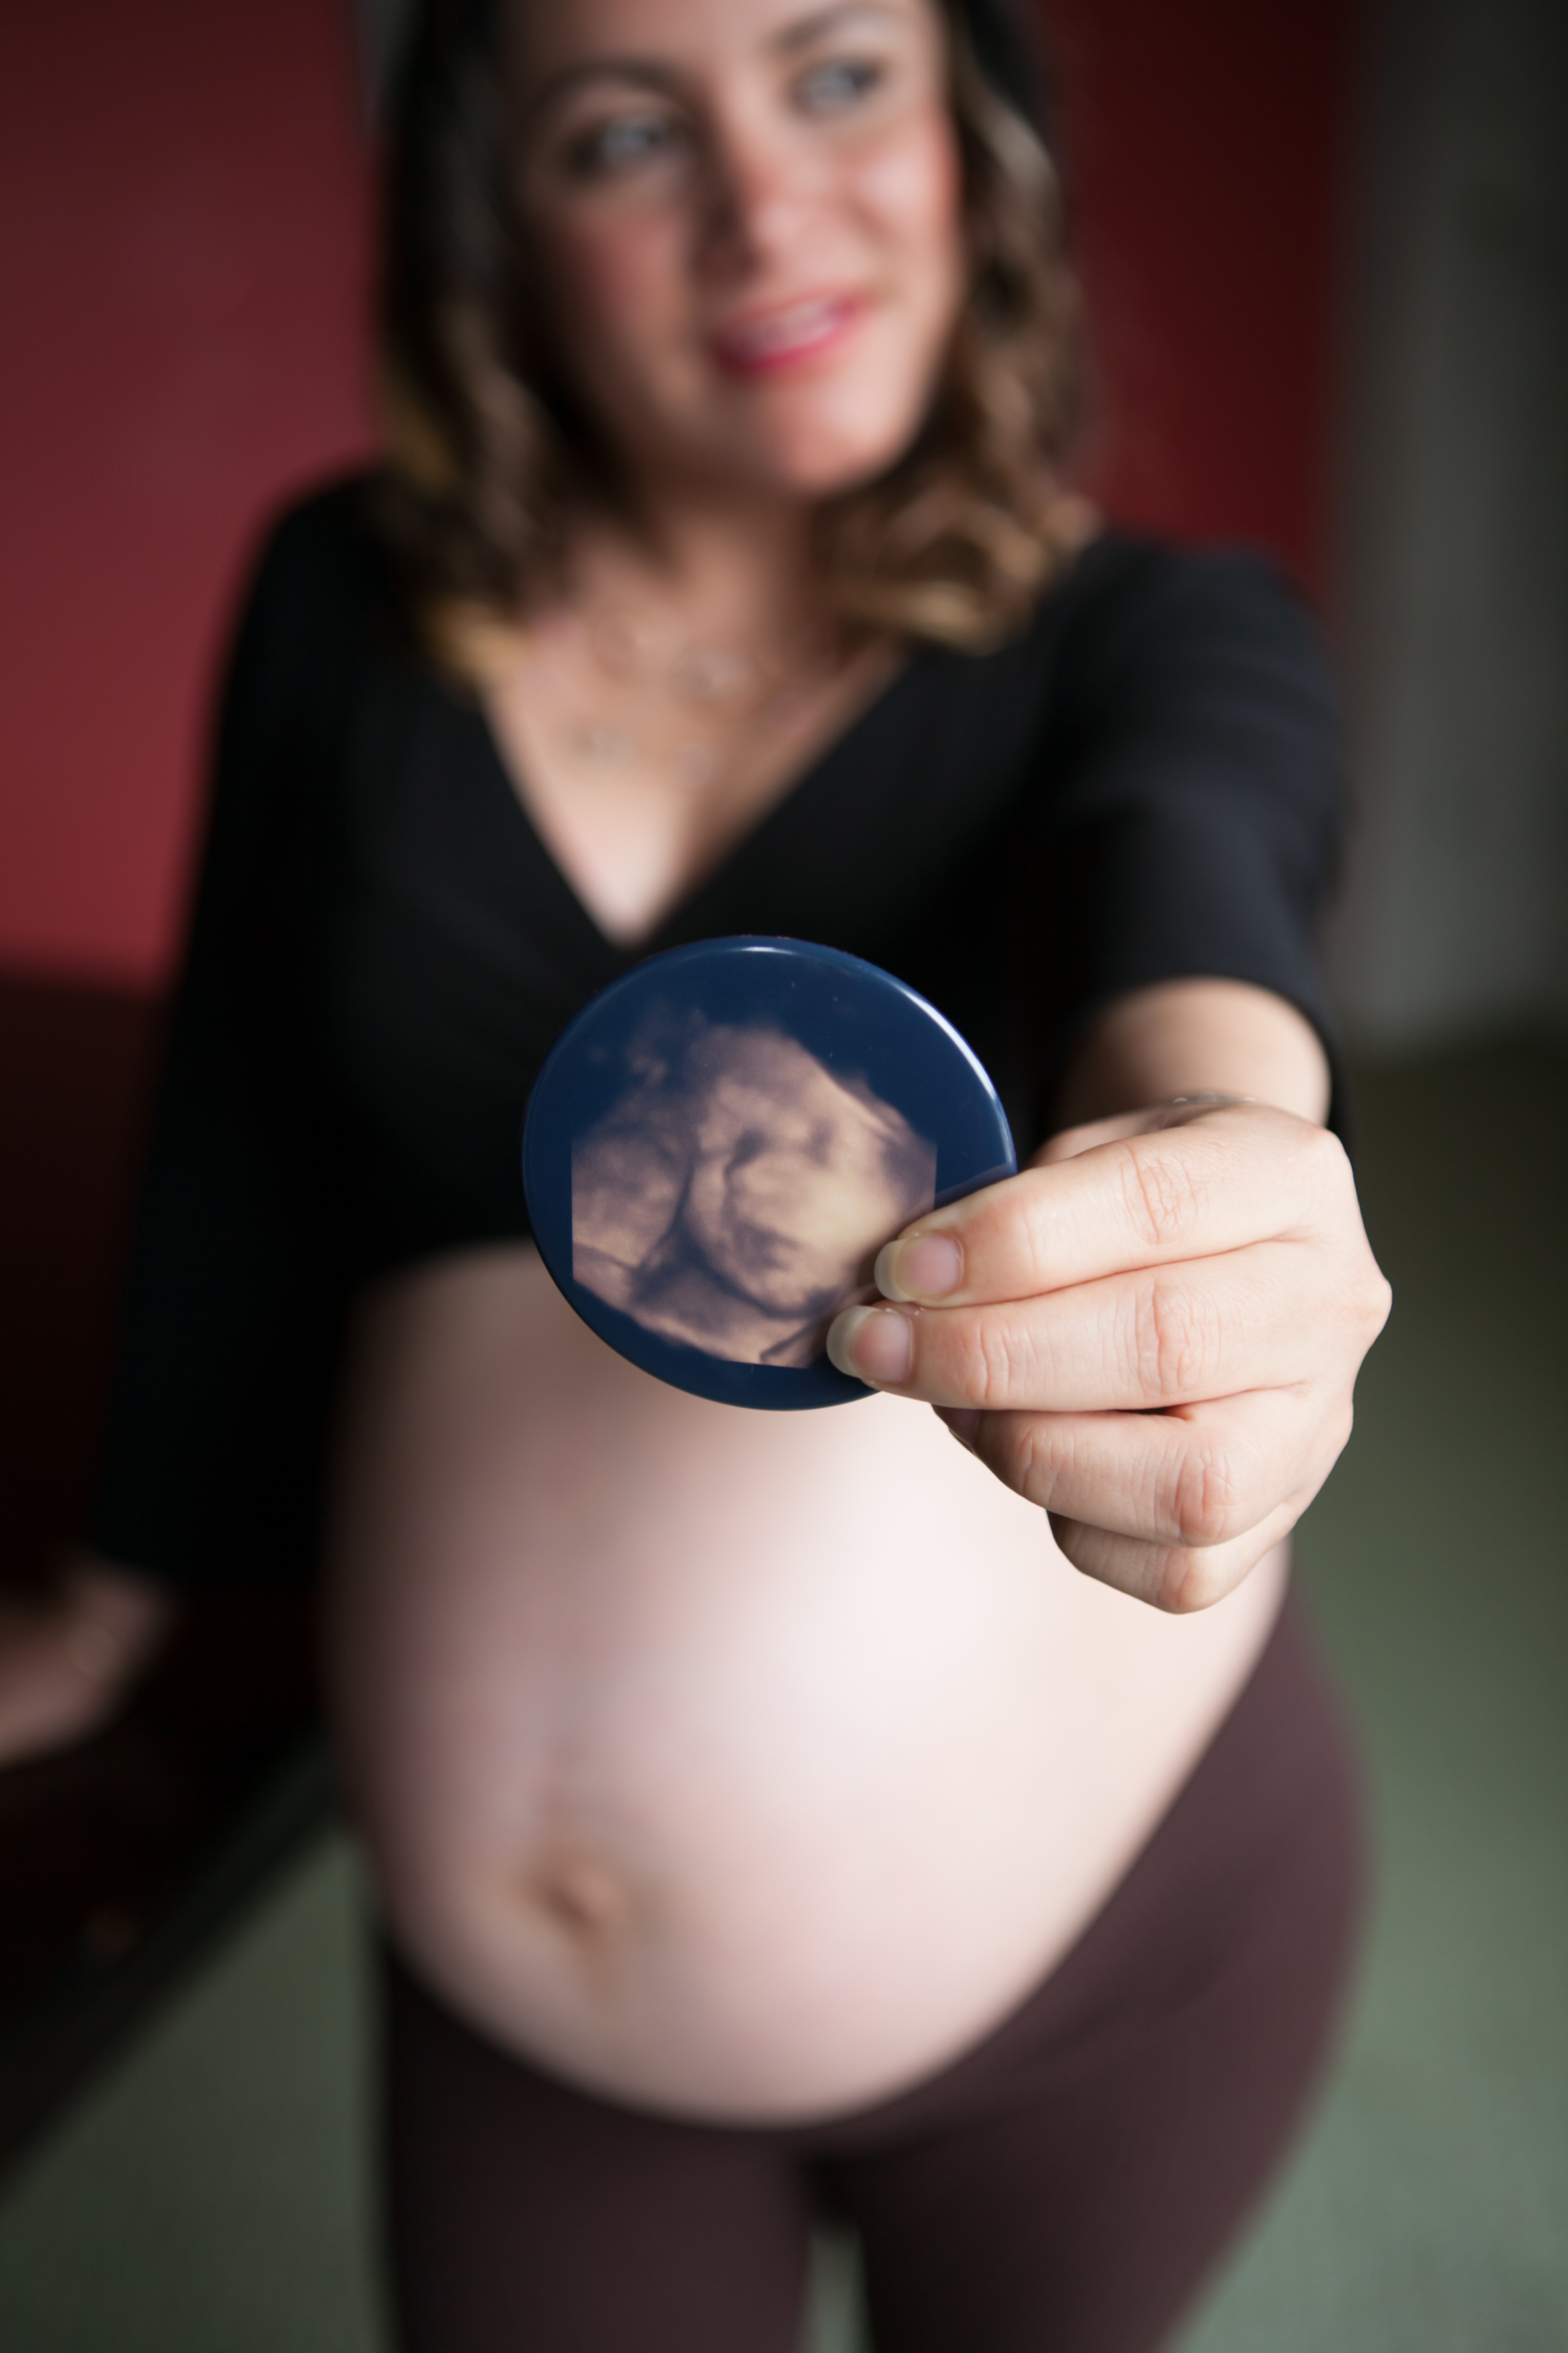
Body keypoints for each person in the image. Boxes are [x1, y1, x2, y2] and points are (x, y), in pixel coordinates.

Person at [0, 0, 1392, 2344]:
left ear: (972, 139)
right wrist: (102, 1613)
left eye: (836, 76)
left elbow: (1202, 905)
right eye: (627, 132)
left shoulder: (1162, 636)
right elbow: (236, 1137)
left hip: (1108, 1955)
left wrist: (1235, 1146)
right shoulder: (346, 599)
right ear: (499, 221)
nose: (761, 205)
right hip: (518, 2017)